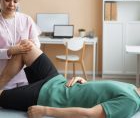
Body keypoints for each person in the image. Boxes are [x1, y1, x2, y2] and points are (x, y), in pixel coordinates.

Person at [0, 40, 140, 118]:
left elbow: (89, 115)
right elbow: (100, 92)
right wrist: (84, 81)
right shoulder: (132, 88)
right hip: (57, 81)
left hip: (50, 96)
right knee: (26, 46)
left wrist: (45, 111)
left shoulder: (131, 102)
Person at [0, 0, 40, 89]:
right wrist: (9, 51)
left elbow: (37, 44)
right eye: (7, 0)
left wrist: (28, 44)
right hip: (3, 79)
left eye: (15, 1)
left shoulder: (26, 19)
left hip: (24, 78)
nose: (11, 4)